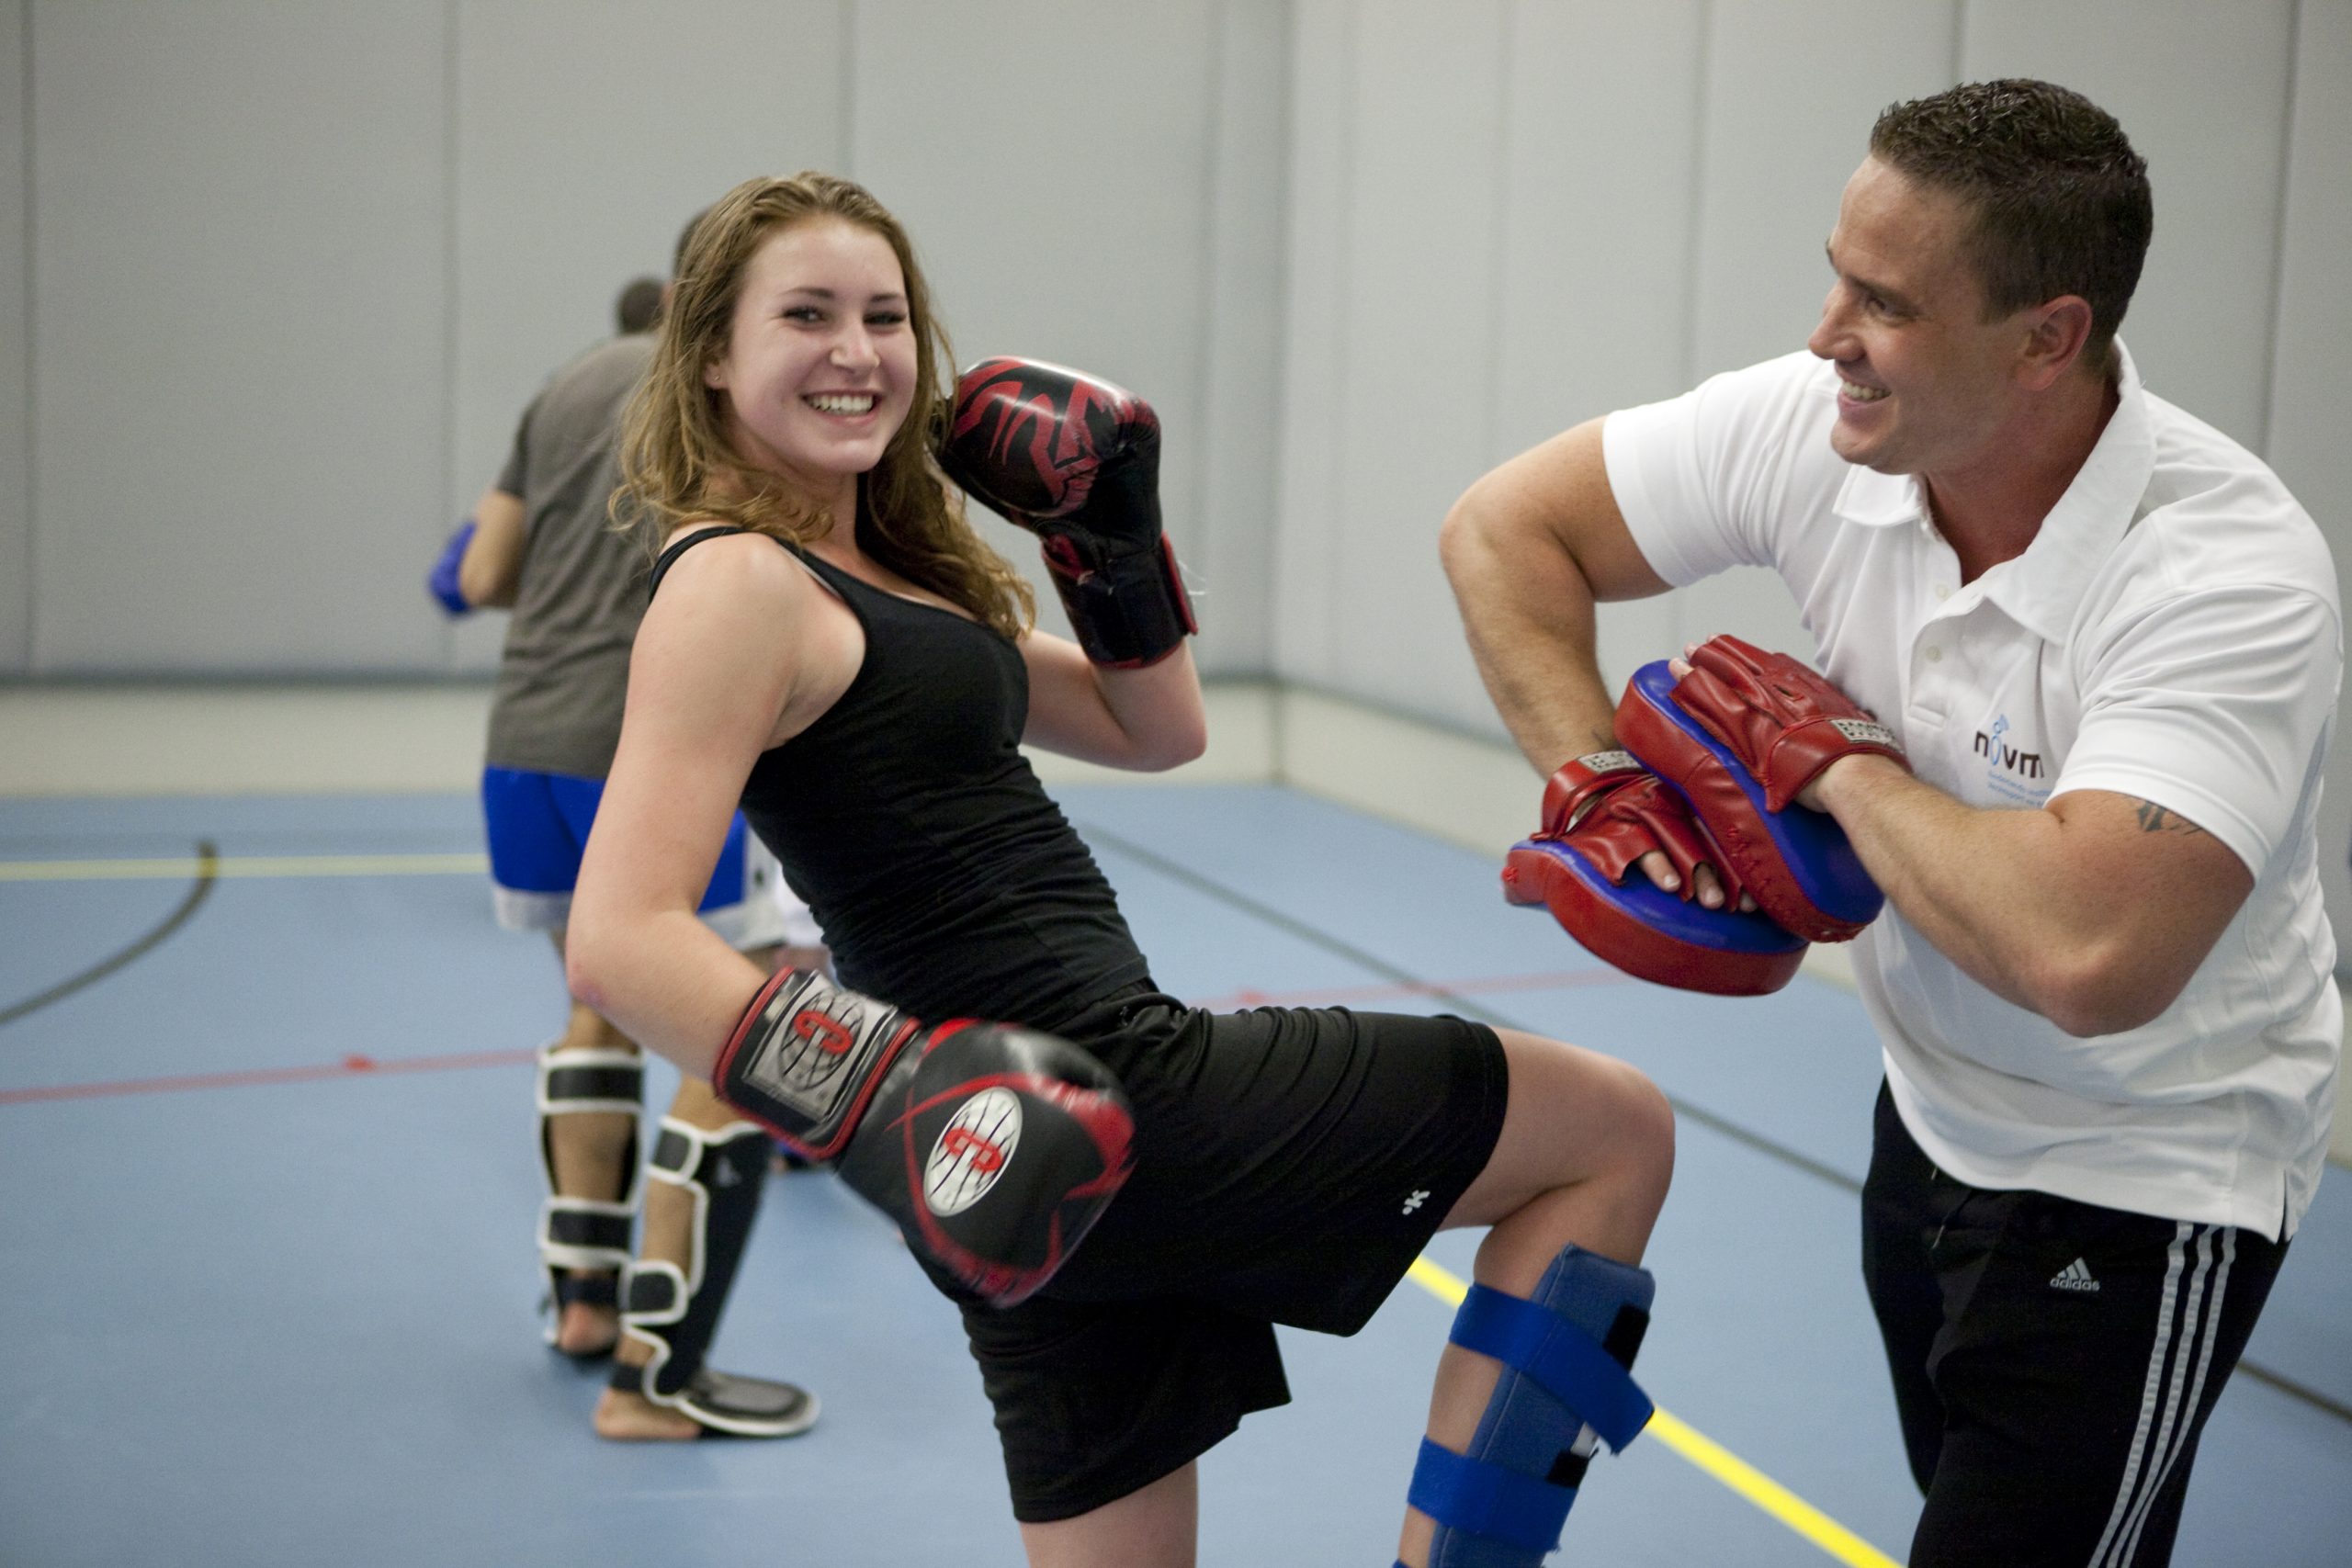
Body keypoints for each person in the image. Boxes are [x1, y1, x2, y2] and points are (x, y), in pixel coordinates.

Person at [564, 170, 1678, 1568]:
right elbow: (619, 935)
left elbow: (1156, 728)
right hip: (1087, 1096)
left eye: (885, 315)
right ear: (715, 356)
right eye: (806, 315)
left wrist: (1107, 543)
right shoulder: (735, 584)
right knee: (1613, 1131)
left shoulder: (880, 573)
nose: (856, 351)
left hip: (1030, 1169)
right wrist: (902, 1101)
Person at [1441, 78, 2339, 1568]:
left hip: (2147, 1172)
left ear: (2048, 336)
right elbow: (1503, 527)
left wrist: (1832, 766)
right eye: (1838, 274)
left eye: (1885, 303)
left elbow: (2090, 953)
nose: (1823, 336)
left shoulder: (2225, 575)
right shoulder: (1823, 427)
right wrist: (1590, 775)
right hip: (1926, 1121)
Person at [429, 231, 826, 1443]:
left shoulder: (563, 385)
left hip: (525, 744)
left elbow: (486, 569)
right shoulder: (728, 399)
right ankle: (660, 1376)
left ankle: (585, 1306)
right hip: (656, 745)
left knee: (597, 1011)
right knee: (753, 1035)